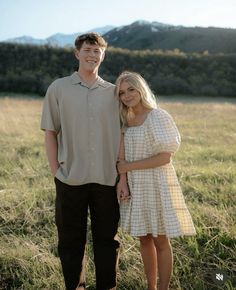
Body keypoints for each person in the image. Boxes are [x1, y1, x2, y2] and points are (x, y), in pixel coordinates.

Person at [41, 33, 128, 290]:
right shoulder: (58, 88)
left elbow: (123, 134)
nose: (92, 55)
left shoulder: (114, 93)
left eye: (97, 51)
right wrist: (56, 171)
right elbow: (50, 132)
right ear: (77, 54)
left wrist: (121, 175)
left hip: (105, 179)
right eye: (87, 50)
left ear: (103, 55)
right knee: (70, 241)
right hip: (70, 179)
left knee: (107, 241)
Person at [115, 71, 196, 290]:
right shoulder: (125, 120)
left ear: (141, 88)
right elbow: (121, 158)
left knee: (160, 240)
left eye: (131, 89)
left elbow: (165, 157)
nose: (127, 95)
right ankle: (151, 287)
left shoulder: (158, 116)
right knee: (144, 239)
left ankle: (163, 288)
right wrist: (123, 179)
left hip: (156, 184)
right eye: (122, 92)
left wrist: (127, 168)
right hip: (136, 186)